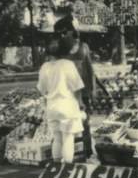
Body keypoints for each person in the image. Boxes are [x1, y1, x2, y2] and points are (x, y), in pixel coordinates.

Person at [37, 30, 86, 163]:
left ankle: (56, 167)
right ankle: (67, 169)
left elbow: (41, 89)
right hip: (67, 106)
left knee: (57, 138)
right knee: (68, 138)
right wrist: (81, 103)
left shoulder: (45, 67)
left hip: (52, 107)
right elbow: (77, 87)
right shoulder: (67, 65)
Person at [54, 15, 96, 157]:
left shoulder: (83, 48)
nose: (63, 35)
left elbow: (90, 70)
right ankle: (69, 152)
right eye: (61, 33)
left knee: (84, 121)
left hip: (82, 91)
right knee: (67, 123)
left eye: (65, 32)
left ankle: (87, 150)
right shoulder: (59, 50)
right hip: (65, 92)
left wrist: (92, 90)